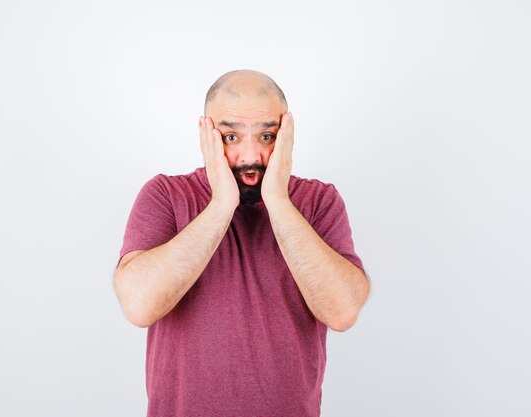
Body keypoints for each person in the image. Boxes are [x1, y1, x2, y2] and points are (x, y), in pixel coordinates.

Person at [113, 69, 371, 417]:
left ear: (286, 136)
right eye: (231, 137)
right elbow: (139, 306)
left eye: (266, 136)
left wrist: (278, 199)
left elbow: (342, 312)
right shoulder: (165, 195)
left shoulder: (318, 201)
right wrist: (221, 203)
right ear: (206, 134)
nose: (250, 156)